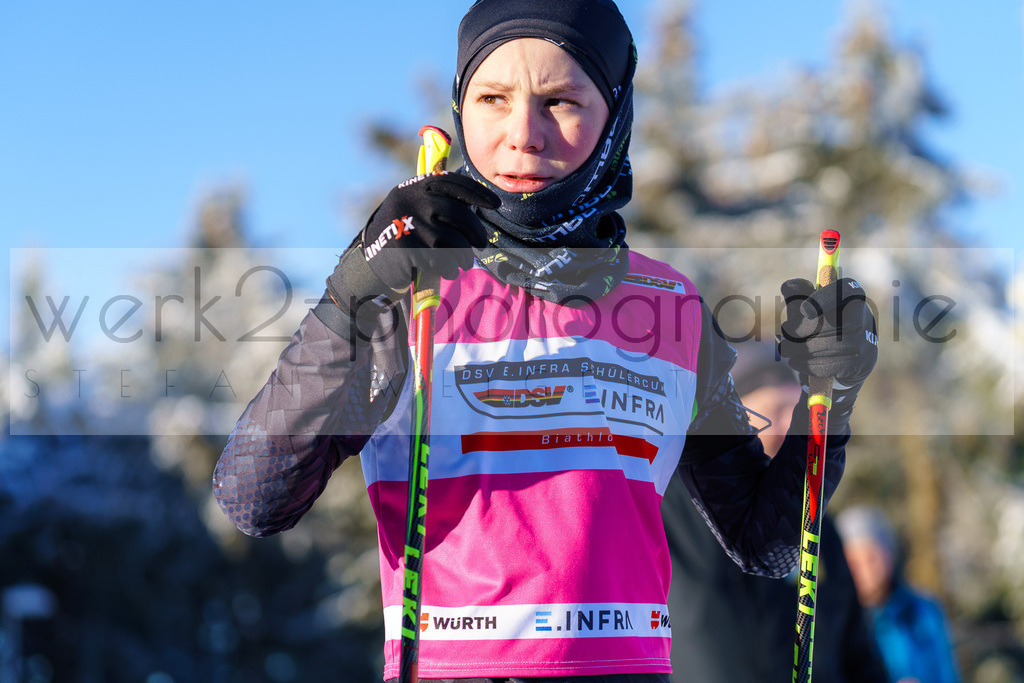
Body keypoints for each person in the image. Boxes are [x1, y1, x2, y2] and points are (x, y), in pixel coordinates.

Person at [212, 1, 878, 680]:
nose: (523, 134)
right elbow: (254, 497)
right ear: (460, 108)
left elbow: (766, 543)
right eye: (492, 98)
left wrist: (828, 399)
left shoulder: (670, 307)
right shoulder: (409, 293)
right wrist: (351, 296)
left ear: (614, 116)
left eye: (560, 101)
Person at [662, 348, 889, 682]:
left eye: (795, 412)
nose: (789, 427)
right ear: (738, 420)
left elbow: (857, 647)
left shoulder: (819, 525)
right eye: (775, 411)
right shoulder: (674, 506)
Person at [837, 506, 961, 683]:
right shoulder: (834, 622)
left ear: (888, 557)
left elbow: (945, 674)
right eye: (854, 562)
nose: (865, 571)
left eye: (871, 559)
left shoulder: (922, 611)